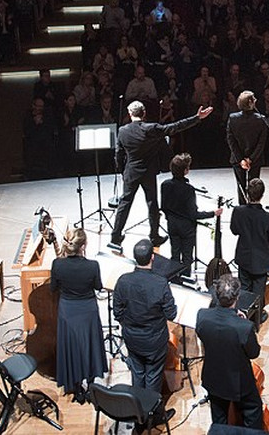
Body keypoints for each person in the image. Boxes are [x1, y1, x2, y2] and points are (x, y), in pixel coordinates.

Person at [108, 100, 213, 252]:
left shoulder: (123, 131)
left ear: (130, 114)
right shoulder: (151, 128)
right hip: (148, 172)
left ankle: (115, 237)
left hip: (131, 172)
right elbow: (174, 127)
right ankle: (154, 235)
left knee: (125, 203)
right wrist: (197, 118)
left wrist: (123, 171)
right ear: (144, 113)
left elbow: (118, 154)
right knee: (152, 203)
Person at [113, 239, 177, 414]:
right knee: (153, 377)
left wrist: (130, 325)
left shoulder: (123, 281)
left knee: (138, 373)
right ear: (153, 258)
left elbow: (117, 312)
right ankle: (152, 415)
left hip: (132, 339)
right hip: (154, 341)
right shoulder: (160, 283)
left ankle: (137, 413)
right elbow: (171, 314)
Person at [196, 275, 264, 428]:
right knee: (253, 409)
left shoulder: (202, 316)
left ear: (217, 295)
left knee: (218, 417)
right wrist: (243, 321)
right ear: (237, 297)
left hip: (213, 377)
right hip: (238, 382)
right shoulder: (244, 327)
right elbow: (254, 353)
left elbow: (203, 334)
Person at [49, 228, 107, 401]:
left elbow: (53, 288)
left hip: (68, 310)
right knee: (88, 345)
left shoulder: (57, 264)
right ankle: (90, 383)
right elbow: (98, 286)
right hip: (87, 310)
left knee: (72, 347)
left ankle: (74, 385)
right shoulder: (92, 266)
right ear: (83, 246)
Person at [161, 153, 222, 275]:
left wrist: (171, 219)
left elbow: (164, 207)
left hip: (172, 225)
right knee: (187, 257)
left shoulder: (165, 185)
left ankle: (174, 279)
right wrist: (213, 213)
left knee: (175, 254)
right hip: (187, 229)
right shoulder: (188, 189)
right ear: (185, 171)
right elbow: (193, 214)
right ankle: (185, 280)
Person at [230, 178, 269, 322]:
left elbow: (234, 230)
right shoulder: (268, 217)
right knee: (258, 290)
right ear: (262, 194)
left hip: (244, 257)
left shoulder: (238, 211)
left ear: (247, 193)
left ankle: (243, 315)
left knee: (244, 288)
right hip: (261, 261)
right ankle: (256, 318)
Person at [227, 90, 267, 204]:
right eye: (254, 99)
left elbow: (231, 141)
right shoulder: (261, 119)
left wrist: (240, 159)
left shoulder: (232, 118)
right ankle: (253, 206)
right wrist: (251, 159)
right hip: (255, 159)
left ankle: (242, 208)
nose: (256, 100)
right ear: (250, 102)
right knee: (253, 186)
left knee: (240, 185)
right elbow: (261, 143)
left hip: (238, 159)